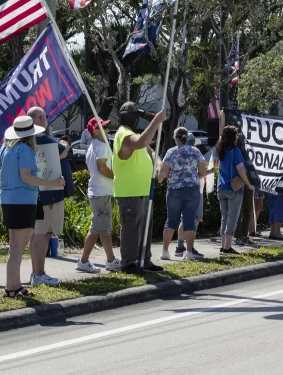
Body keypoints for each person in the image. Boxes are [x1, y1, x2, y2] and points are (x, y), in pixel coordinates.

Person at [0, 115, 65, 298]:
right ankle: (11, 288)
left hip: (8, 199)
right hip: (23, 200)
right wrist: (53, 183)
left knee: (14, 245)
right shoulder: (25, 150)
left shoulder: (5, 148)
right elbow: (26, 176)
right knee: (19, 246)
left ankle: (15, 286)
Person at [113, 101, 166, 274]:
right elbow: (142, 142)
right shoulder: (124, 134)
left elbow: (150, 150)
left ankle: (145, 258)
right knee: (131, 228)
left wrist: (158, 164)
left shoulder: (132, 134)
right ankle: (128, 262)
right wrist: (156, 121)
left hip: (143, 189)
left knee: (145, 227)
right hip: (130, 191)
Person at [157, 127, 211, 261]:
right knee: (190, 221)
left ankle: (165, 251)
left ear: (176, 138)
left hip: (175, 189)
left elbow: (165, 172)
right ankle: (189, 252)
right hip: (192, 189)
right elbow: (203, 172)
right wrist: (193, 176)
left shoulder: (171, 152)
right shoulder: (196, 151)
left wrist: (172, 177)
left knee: (171, 220)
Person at [26, 108, 66, 287]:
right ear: (40, 118)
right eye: (44, 116)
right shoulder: (43, 139)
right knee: (44, 233)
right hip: (49, 193)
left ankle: (36, 272)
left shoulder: (25, 140)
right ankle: (38, 273)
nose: (46, 118)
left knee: (36, 233)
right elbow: (62, 151)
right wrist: (65, 144)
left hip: (35, 192)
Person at [77, 117, 120, 273]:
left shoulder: (93, 146)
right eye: (103, 128)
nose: (107, 130)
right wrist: (116, 177)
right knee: (99, 228)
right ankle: (85, 261)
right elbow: (102, 167)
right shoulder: (101, 146)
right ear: (95, 131)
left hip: (99, 191)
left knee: (102, 229)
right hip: (100, 192)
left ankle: (110, 260)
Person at [216, 125, 255, 254]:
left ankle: (223, 246)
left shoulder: (220, 149)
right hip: (234, 189)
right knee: (232, 218)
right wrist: (249, 184)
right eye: (237, 134)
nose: (238, 136)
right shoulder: (235, 150)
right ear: (234, 136)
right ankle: (227, 247)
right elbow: (240, 170)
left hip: (221, 187)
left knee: (224, 217)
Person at [176, 133, 208, 257]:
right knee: (194, 220)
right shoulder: (195, 153)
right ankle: (190, 248)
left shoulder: (176, 153)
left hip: (181, 191)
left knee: (184, 220)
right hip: (194, 191)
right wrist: (208, 172)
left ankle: (180, 247)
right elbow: (200, 173)